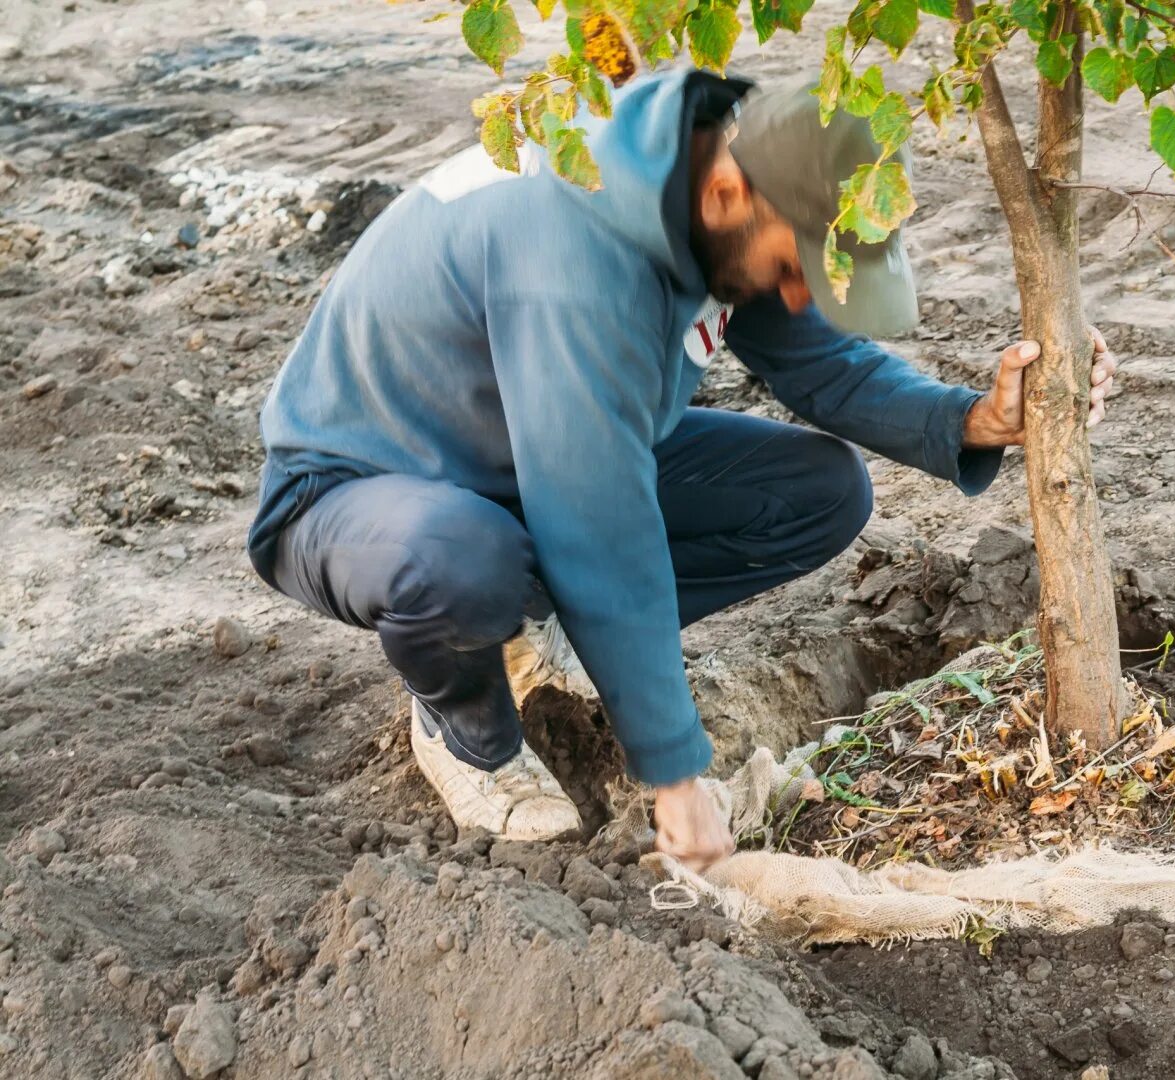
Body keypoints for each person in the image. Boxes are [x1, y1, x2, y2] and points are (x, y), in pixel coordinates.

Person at [245, 68, 1117, 872]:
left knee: (817, 491)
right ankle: (467, 731)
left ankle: (529, 630)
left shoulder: (712, 190)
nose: (803, 291)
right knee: (462, 565)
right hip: (356, 490)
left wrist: (973, 417)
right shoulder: (576, 262)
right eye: (796, 266)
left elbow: (822, 367)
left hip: (520, 457)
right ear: (728, 193)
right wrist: (674, 777)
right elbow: (595, 519)